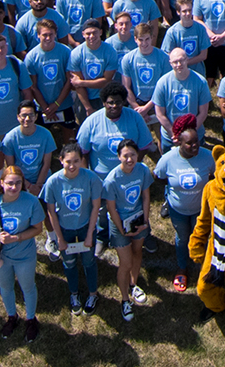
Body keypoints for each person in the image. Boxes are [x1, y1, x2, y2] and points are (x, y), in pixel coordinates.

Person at [0, 166, 47, 340]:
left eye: (17, 183)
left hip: (24, 255)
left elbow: (38, 228)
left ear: (22, 184)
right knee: (6, 287)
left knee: (27, 287)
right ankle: (12, 316)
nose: (13, 187)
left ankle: (30, 319)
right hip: (1, 256)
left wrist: (17, 238)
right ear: (1, 183)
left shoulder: (31, 202)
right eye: (9, 183)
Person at [42, 141, 103, 316]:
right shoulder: (53, 182)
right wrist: (59, 238)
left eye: (76, 161)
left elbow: (95, 207)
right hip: (65, 229)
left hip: (85, 227)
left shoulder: (91, 178)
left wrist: (91, 233)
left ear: (81, 161)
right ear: (61, 160)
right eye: (68, 161)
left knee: (89, 261)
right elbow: (51, 212)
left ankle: (93, 294)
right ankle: (74, 294)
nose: (72, 165)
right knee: (68, 263)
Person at [153, 121, 215, 292]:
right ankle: (182, 267)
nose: (194, 146)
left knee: (201, 237)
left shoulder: (208, 156)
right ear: (179, 142)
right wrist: (172, 187)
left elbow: (216, 176)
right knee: (182, 238)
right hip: (178, 210)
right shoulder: (168, 159)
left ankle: (203, 265)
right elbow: (158, 176)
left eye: (196, 141)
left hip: (201, 210)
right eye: (189, 143)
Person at [101, 138, 154, 322]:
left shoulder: (143, 170)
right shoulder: (111, 180)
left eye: (133, 155)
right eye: (125, 156)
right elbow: (111, 208)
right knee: (126, 262)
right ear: (118, 157)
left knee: (137, 251)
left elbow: (146, 197)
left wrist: (145, 221)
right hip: (119, 224)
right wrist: (122, 230)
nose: (130, 159)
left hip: (139, 220)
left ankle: (134, 284)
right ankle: (124, 300)